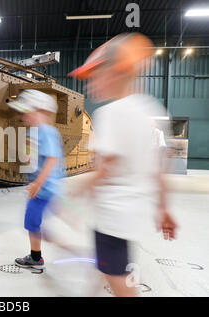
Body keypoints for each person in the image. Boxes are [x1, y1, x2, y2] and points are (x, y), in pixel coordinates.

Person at [68, 33, 178, 297]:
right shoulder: (150, 110)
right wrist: (163, 209)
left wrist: (72, 196)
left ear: (115, 72)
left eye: (95, 76)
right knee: (104, 268)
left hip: (111, 219)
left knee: (122, 282)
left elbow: (104, 168)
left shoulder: (109, 114)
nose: (90, 85)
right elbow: (159, 168)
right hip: (131, 217)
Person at [6, 89, 65, 269]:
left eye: (26, 112)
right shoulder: (36, 131)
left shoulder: (45, 131)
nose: (23, 117)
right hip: (42, 188)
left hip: (44, 189)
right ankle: (36, 255)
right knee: (33, 222)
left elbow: (52, 159)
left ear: (41, 111)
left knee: (32, 222)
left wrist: (38, 183)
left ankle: (39, 256)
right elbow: (34, 157)